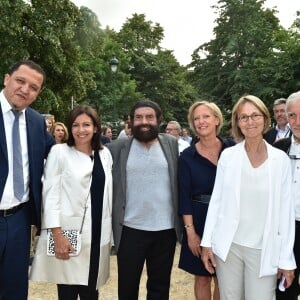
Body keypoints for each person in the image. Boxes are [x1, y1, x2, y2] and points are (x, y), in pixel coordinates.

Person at [201, 95, 296, 300]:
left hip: (264, 248)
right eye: (244, 117)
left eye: (255, 115)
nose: (250, 121)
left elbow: (285, 211)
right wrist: (207, 241)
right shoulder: (228, 156)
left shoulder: (280, 160)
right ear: (237, 123)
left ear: (265, 118)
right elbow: (217, 200)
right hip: (230, 247)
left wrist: (287, 260)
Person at [30, 105, 113, 299]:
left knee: (91, 291)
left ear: (95, 127)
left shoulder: (104, 154)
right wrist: (56, 234)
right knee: (67, 291)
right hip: (68, 234)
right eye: (75, 125)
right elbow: (50, 195)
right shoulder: (59, 152)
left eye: (86, 124)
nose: (81, 129)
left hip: (98, 234)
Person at [107, 99, 182, 300]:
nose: (144, 121)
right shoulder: (118, 147)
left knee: (159, 287)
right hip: (130, 230)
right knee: (127, 287)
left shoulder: (171, 144)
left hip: (165, 230)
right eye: (138, 117)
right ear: (131, 121)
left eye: (149, 117)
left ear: (159, 120)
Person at [0, 60, 54, 300]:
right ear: (6, 79)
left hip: (20, 221)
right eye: (20, 81)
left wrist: (92, 146)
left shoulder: (35, 122)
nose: (25, 89)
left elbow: (57, 153)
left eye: (33, 87)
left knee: (14, 289)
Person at [178, 101, 235, 300]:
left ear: (217, 119)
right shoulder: (187, 156)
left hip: (227, 220)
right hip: (199, 219)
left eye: (206, 116)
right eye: (196, 118)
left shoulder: (232, 149)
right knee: (202, 278)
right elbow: (183, 196)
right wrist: (191, 232)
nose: (201, 121)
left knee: (223, 277)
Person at [273, 91, 300, 300]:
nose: (297, 121)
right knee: (284, 289)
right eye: (292, 115)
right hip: (285, 229)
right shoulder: (279, 149)